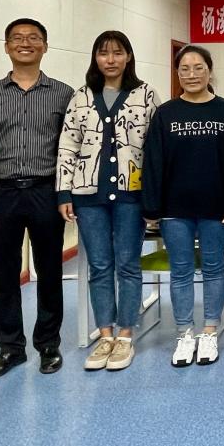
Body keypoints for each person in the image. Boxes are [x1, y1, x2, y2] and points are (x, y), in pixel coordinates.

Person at [0, 18, 73, 382]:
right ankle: (10, 348)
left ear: (45, 46)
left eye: (33, 38)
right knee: (4, 273)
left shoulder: (63, 94)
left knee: (50, 270)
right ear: (7, 47)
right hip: (2, 192)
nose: (25, 43)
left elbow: (70, 149)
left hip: (46, 190)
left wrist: (66, 193)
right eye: (17, 38)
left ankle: (48, 344)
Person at [57, 30, 158, 371]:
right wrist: (64, 192)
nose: (110, 59)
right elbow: (68, 146)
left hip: (132, 195)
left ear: (128, 57)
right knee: (99, 266)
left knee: (128, 264)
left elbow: (156, 149)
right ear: (95, 58)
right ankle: (104, 335)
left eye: (117, 53)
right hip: (88, 195)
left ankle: (125, 335)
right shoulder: (81, 97)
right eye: (103, 53)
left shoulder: (146, 95)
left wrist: (154, 197)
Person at [141, 45, 224, 368]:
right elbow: (153, 162)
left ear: (210, 71)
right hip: (175, 208)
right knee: (181, 270)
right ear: (177, 73)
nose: (192, 74)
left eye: (199, 68)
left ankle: (209, 331)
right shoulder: (165, 113)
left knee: (213, 268)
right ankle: (184, 333)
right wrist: (152, 206)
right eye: (184, 69)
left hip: (216, 206)